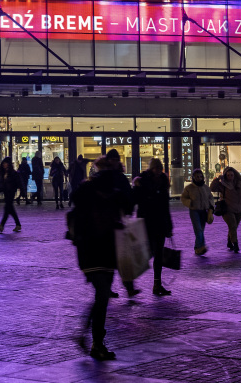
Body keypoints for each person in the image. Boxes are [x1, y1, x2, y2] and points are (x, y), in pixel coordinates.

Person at [67, 149, 136, 361]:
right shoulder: (115, 187)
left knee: (102, 294)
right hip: (105, 247)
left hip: (88, 248)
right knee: (102, 294)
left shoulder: (86, 188)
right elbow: (130, 206)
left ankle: (91, 338)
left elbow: (73, 201)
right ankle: (95, 342)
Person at [135, 158, 173, 295]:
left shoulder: (163, 181)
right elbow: (136, 199)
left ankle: (157, 284)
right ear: (151, 169)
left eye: (159, 169)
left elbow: (165, 205)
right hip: (148, 222)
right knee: (150, 251)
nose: (157, 171)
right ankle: (131, 279)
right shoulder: (143, 180)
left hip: (160, 222)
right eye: (155, 169)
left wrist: (169, 226)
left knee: (158, 254)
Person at [210, 166, 241, 252]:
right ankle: (235, 244)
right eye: (228, 175)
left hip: (239, 210)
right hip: (227, 210)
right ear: (225, 176)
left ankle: (229, 241)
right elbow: (212, 188)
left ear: (235, 175)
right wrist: (217, 179)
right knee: (232, 226)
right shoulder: (223, 185)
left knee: (233, 227)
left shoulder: (240, 185)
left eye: (231, 175)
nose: (230, 177)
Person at [180, 168, 212, 255]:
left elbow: (210, 197)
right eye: (197, 176)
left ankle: (197, 247)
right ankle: (201, 247)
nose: (199, 178)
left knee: (201, 229)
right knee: (198, 230)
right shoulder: (189, 188)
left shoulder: (206, 188)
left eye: (200, 176)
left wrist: (211, 207)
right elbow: (183, 198)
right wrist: (190, 203)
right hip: (194, 211)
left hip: (203, 211)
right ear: (193, 177)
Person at [0, 157, 22, 233]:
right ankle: (18, 224)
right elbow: (0, 183)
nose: (4, 165)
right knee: (10, 209)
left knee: (7, 208)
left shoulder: (13, 173)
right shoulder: (3, 173)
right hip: (6, 192)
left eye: (5, 163)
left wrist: (21, 191)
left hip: (11, 192)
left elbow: (17, 183)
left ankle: (2, 225)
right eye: (3, 163)